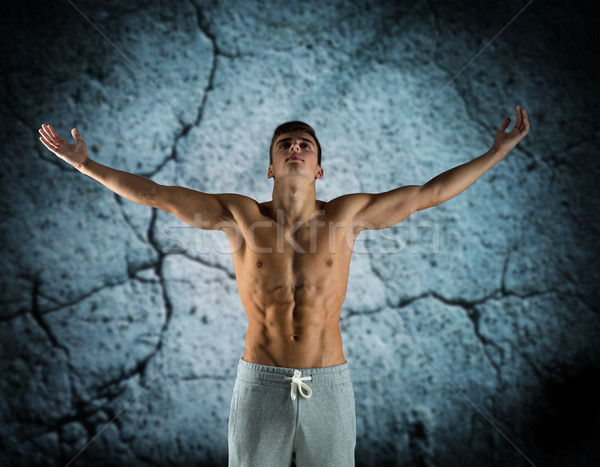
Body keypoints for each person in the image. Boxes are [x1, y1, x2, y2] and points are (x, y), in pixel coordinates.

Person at [38, 106, 529, 466]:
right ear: (272, 168)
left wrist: (495, 152)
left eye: (305, 145)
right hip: (261, 382)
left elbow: (429, 193)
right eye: (285, 145)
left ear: (318, 170)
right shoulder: (239, 215)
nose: (295, 148)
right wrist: (86, 164)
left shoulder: (347, 214)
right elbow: (160, 196)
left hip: (329, 384)